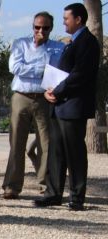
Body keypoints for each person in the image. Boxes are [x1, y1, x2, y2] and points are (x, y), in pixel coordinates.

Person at [36, 3, 100, 211]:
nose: (63, 22)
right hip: (59, 106)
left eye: (66, 18)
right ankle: (53, 193)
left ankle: (76, 197)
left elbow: (80, 75)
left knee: (75, 154)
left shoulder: (88, 42)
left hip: (73, 106)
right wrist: (49, 90)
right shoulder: (71, 42)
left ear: (78, 19)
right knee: (56, 152)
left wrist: (58, 91)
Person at [1, 12, 64, 200]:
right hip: (21, 97)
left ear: (51, 28)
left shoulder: (58, 47)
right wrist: (43, 69)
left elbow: (59, 71)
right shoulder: (21, 44)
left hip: (45, 98)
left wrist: (33, 69)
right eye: (37, 27)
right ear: (32, 27)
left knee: (46, 143)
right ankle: (12, 186)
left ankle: (46, 184)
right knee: (16, 143)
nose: (40, 31)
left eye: (45, 28)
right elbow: (15, 67)